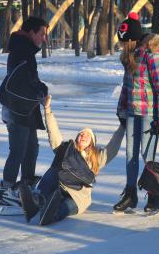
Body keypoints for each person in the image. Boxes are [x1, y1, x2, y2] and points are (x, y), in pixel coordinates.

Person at [18, 95, 125, 225]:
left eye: (87, 135)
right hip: (59, 187)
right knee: (53, 171)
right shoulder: (66, 150)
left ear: (92, 142)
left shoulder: (96, 157)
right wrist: (47, 110)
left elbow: (112, 148)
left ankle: (52, 214)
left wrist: (122, 126)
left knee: (65, 207)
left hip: (77, 196)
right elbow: (54, 133)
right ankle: (36, 204)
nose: (83, 135)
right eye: (81, 134)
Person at [114, 12, 159, 215]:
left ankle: (154, 196)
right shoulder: (131, 56)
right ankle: (130, 194)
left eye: (124, 42)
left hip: (148, 114)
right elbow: (126, 87)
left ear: (133, 40)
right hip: (131, 112)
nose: (122, 46)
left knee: (148, 156)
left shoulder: (152, 56)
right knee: (130, 154)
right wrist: (121, 109)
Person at [0, 16, 49, 216]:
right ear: (31, 32)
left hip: (24, 109)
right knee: (18, 150)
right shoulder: (22, 50)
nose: (44, 39)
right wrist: (39, 90)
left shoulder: (25, 49)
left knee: (31, 148)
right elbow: (22, 81)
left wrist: (40, 88)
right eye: (42, 33)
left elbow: (29, 79)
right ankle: (7, 193)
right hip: (16, 109)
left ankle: (25, 188)